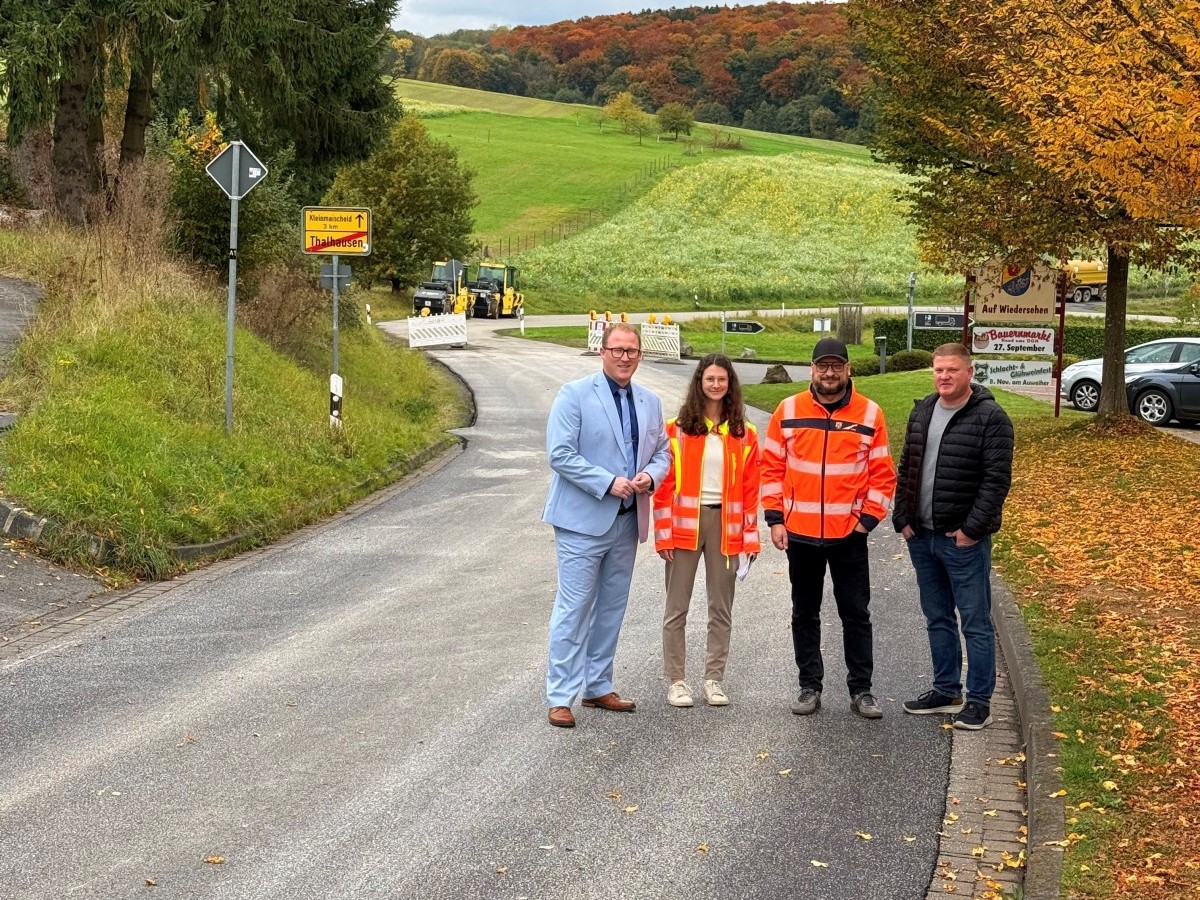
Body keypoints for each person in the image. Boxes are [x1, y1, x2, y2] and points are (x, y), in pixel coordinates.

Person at [542, 323, 671, 729]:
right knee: (574, 607)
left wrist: (651, 476)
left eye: (631, 350)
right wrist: (606, 482)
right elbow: (560, 454)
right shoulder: (575, 394)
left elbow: (664, 452)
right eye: (617, 349)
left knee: (612, 608)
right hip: (582, 522)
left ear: (640, 355)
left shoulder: (650, 402)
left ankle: (598, 685)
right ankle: (560, 695)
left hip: (628, 521)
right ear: (603, 352)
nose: (624, 357)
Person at [762, 337, 896, 720]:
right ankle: (809, 686)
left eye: (837, 365)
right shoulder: (788, 410)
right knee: (804, 612)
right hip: (800, 534)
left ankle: (862, 690)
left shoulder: (870, 414)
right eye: (823, 366)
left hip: (848, 537)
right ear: (812, 370)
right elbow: (770, 468)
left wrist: (865, 523)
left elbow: (883, 476)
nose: (830, 373)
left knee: (856, 614)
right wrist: (775, 519)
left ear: (848, 369)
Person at [894, 342, 1014, 730]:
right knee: (937, 617)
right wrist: (903, 518)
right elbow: (906, 466)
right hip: (922, 537)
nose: (943, 376)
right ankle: (947, 689)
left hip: (962, 541)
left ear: (969, 372)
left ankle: (979, 700)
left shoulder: (991, 418)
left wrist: (970, 530)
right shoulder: (924, 410)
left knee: (975, 622)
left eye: (952, 370)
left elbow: (996, 483)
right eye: (938, 370)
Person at [652, 354, 761, 709]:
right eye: (710, 379)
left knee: (721, 607)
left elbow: (750, 491)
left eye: (722, 380)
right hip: (685, 524)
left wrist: (749, 536)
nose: (716, 385)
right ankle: (677, 680)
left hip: (725, 527)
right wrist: (664, 533)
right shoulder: (675, 429)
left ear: (730, 385)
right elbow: (664, 486)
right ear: (699, 382)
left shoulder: (745, 434)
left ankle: (714, 679)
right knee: (677, 607)